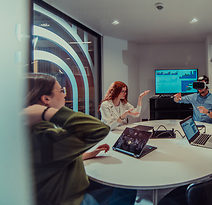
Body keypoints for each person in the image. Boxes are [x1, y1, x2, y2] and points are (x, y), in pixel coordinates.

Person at [23, 73, 137, 205]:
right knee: (128, 187)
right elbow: (100, 129)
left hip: (69, 187)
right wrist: (48, 112)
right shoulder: (42, 135)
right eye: (61, 91)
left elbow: (52, 158)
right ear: (46, 99)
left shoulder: (32, 129)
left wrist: (87, 154)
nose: (65, 94)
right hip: (74, 199)